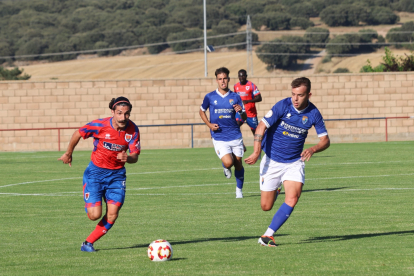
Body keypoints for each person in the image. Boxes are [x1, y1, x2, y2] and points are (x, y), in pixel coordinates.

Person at [245, 77, 330, 247]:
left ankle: (268, 236)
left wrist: (313, 149)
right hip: (272, 160)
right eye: (293, 94)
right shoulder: (283, 106)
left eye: (299, 95)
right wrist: (256, 152)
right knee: (266, 206)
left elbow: (326, 140)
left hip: (294, 162)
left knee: (293, 197)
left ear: (309, 95)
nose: (295, 99)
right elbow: (261, 127)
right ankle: (276, 188)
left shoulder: (313, 113)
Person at [58, 96, 140, 252]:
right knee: (94, 215)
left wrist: (128, 158)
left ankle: (87, 243)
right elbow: (78, 133)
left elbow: (135, 156)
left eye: (127, 114)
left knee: (113, 214)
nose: (123, 117)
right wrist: (68, 153)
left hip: (117, 176)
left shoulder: (133, 130)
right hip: (95, 174)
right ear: (113, 112)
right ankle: (89, 198)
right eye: (120, 113)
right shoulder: (99, 125)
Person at [199, 67, 247, 198]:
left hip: (235, 135)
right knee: (228, 162)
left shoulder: (235, 97)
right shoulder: (210, 97)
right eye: (220, 79)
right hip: (219, 136)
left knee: (238, 165)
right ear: (216, 80)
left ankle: (239, 190)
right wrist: (209, 124)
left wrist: (241, 112)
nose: (222, 81)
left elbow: (244, 118)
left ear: (229, 79)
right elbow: (201, 111)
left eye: (225, 78)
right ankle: (225, 166)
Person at [233, 69, 262, 136]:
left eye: (243, 76)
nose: (241, 78)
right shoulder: (236, 86)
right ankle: (241, 145)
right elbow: (235, 98)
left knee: (256, 133)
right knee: (236, 127)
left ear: (246, 76)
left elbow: (259, 98)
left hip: (251, 113)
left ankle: (260, 146)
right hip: (241, 111)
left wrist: (248, 101)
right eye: (240, 76)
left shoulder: (252, 86)